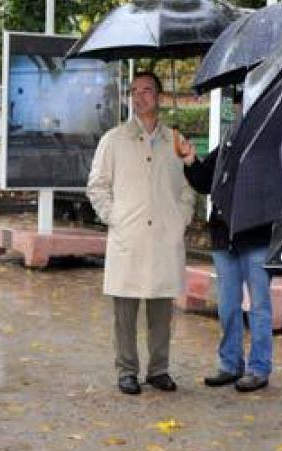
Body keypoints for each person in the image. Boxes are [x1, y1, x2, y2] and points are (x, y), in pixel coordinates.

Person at [87, 71, 195, 395]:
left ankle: (159, 369)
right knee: (125, 313)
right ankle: (126, 370)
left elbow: (190, 187)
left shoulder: (175, 140)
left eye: (146, 91)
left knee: (162, 312)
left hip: (165, 237)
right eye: (134, 91)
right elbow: (97, 186)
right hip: (128, 238)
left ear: (159, 97)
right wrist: (113, 217)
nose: (139, 97)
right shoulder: (113, 139)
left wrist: (182, 218)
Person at [177, 93, 273, 393]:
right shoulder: (228, 144)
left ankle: (259, 368)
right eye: (236, 104)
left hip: (255, 235)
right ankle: (230, 364)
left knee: (259, 306)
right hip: (223, 236)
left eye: (244, 103)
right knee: (228, 306)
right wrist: (191, 160)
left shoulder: (266, 145)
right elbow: (204, 180)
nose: (238, 109)